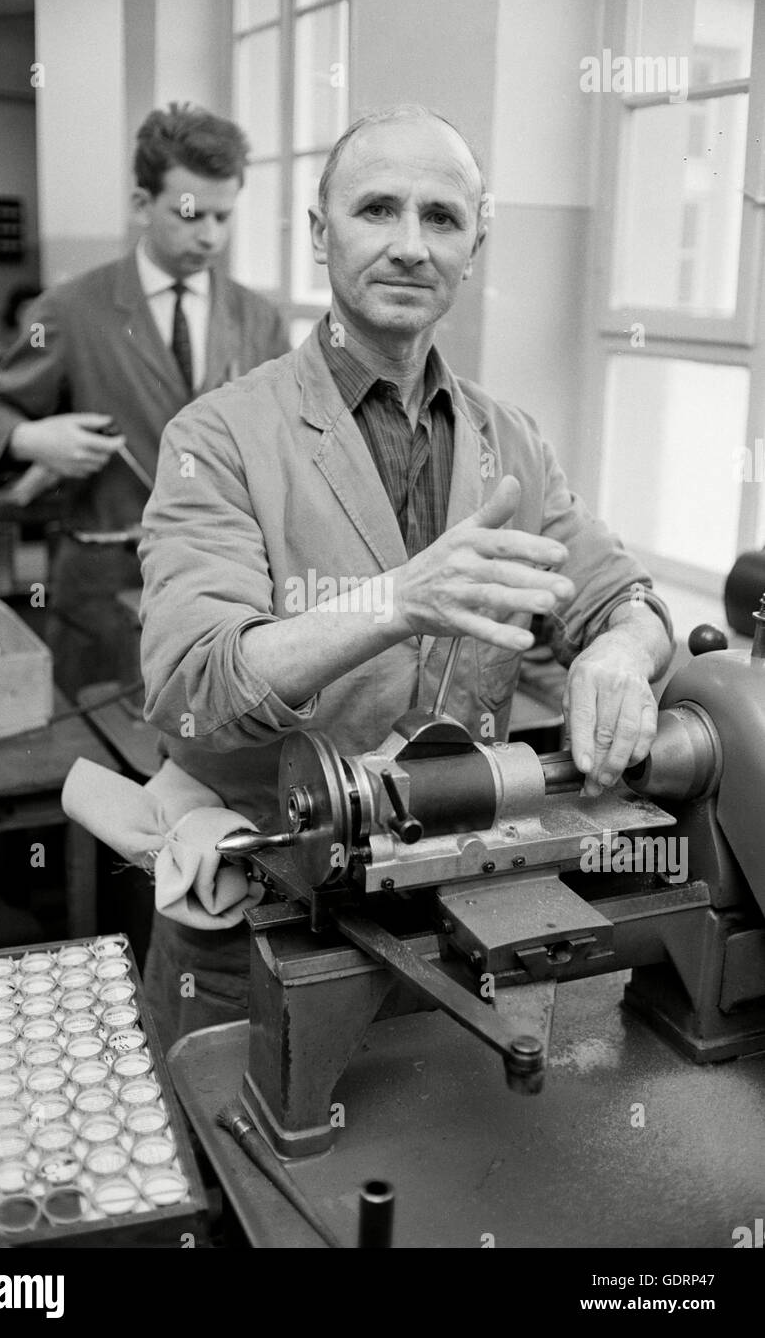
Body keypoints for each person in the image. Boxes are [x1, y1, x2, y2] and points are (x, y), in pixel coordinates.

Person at [138, 103, 673, 1048]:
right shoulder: (217, 438)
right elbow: (189, 689)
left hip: (462, 926)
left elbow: (617, 593)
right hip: (260, 934)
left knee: (447, 1172)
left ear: (474, 246)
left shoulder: (511, 441)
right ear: (319, 232)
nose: (410, 246)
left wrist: (626, 649)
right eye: (377, 210)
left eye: (442, 219)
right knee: (243, 1183)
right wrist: (396, 603)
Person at [0, 104, 289, 698]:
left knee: (203, 765)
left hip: (224, 586)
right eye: (190, 214)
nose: (210, 236)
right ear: (142, 204)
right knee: (101, 752)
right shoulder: (69, 311)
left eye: (224, 216)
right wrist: (34, 438)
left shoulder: (257, 319)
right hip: (102, 582)